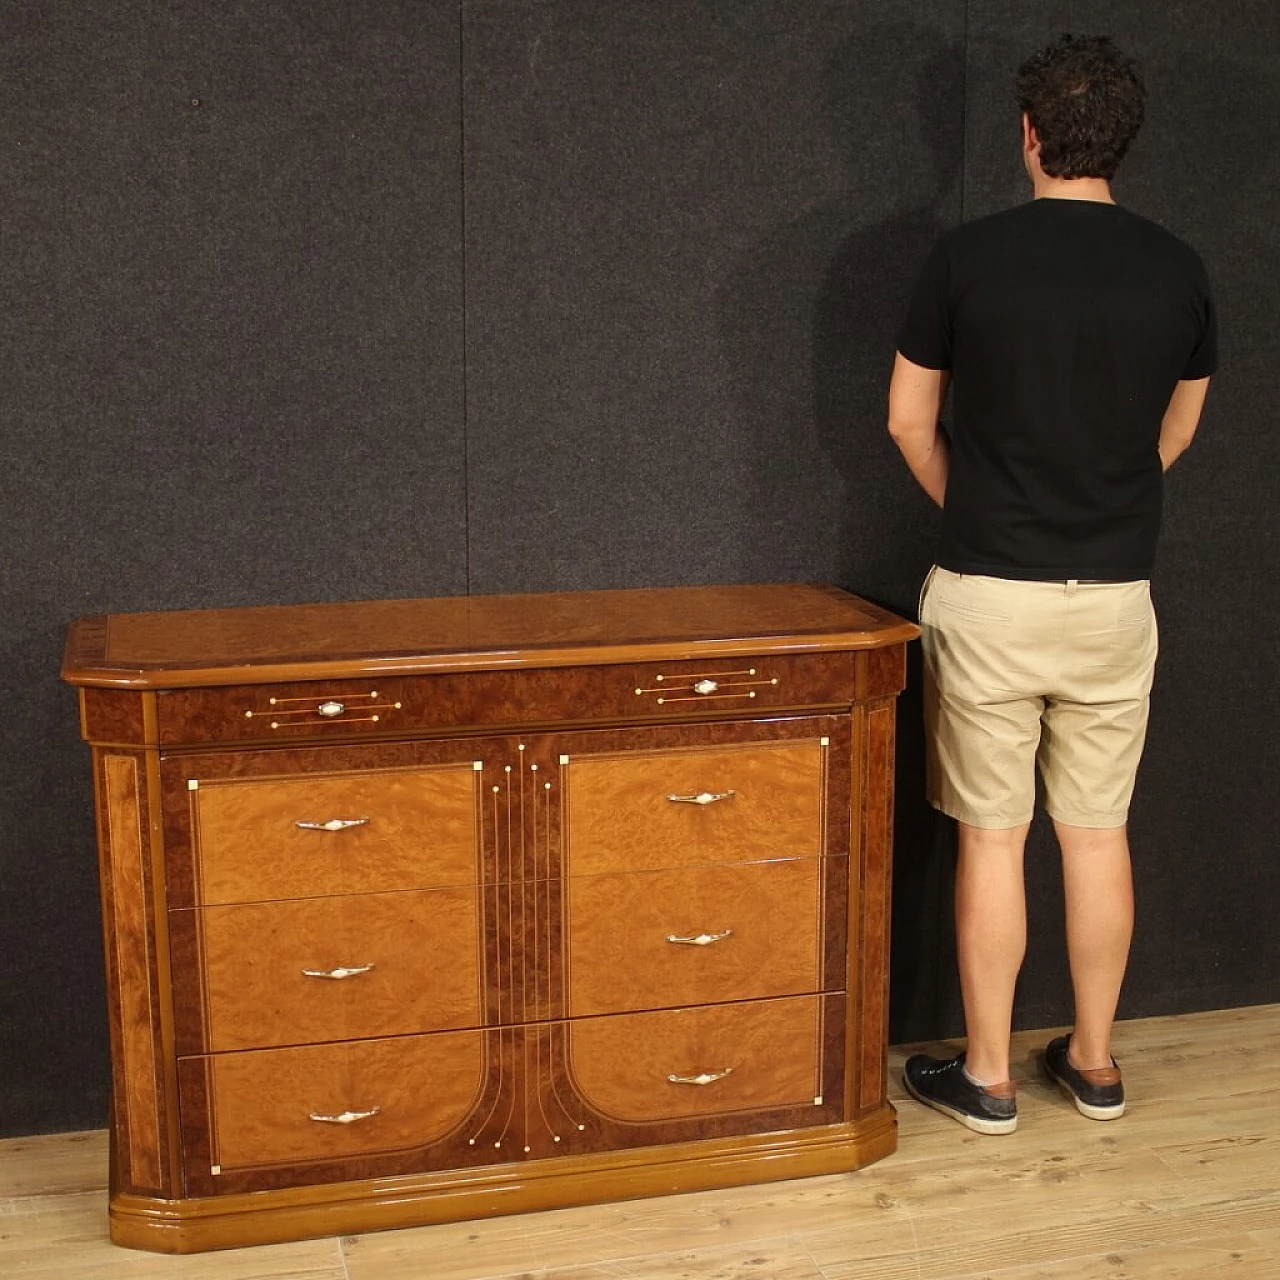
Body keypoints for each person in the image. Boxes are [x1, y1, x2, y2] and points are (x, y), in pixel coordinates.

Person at [887, 33, 1216, 1134]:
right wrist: (1102, 495)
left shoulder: (966, 259)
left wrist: (981, 506)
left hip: (989, 588)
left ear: (1028, 135)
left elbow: (904, 420)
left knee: (990, 835)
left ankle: (983, 1075)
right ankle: (1092, 1060)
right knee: (1094, 831)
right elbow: (1177, 426)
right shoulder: (1176, 268)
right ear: (1119, 139)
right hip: (1115, 594)